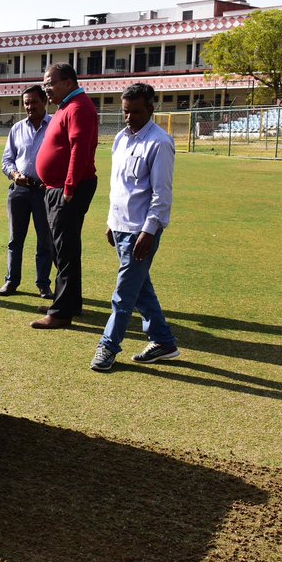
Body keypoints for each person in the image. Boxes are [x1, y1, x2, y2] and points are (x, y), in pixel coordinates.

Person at [91, 84, 181, 372]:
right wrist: (110, 221)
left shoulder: (160, 143)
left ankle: (108, 346)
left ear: (151, 109)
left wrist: (149, 232)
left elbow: (161, 195)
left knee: (124, 294)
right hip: (120, 226)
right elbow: (119, 187)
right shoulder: (121, 139)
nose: (129, 117)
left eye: (136, 112)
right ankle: (164, 341)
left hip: (141, 231)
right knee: (141, 289)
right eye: (125, 111)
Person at [33, 63, 100, 329]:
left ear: (69, 82)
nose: (46, 89)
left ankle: (61, 312)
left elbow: (80, 149)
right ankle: (69, 302)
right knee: (64, 249)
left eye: (50, 83)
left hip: (68, 189)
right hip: (57, 187)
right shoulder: (68, 107)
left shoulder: (78, 107)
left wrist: (69, 188)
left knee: (65, 250)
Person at [0, 86, 55, 299]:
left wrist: (52, 181)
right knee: (15, 239)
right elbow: (6, 159)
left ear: (44, 102)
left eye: (34, 102)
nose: (30, 107)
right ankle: (12, 281)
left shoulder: (55, 126)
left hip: (44, 191)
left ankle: (43, 284)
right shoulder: (17, 129)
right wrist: (14, 175)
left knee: (45, 240)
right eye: (26, 103)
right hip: (20, 190)